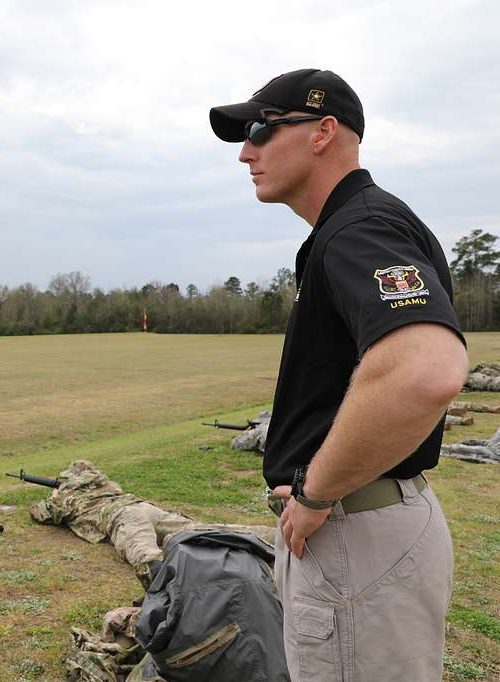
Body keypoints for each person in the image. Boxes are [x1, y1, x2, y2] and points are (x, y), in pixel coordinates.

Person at [210, 68, 469, 681]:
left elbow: (425, 370)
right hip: (365, 529)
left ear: (324, 131)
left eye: (259, 131)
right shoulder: (357, 226)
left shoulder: (359, 229)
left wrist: (314, 492)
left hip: (357, 533)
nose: (246, 152)